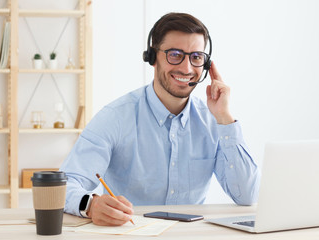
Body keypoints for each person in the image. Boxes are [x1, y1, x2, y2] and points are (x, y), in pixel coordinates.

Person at [60, 12, 260, 226]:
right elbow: (63, 186)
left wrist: (225, 118)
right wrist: (90, 205)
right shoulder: (115, 117)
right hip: (131, 233)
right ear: (153, 58)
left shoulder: (214, 121)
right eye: (175, 55)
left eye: (196, 57)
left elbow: (248, 196)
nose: (186, 68)